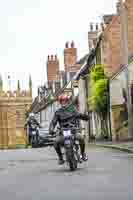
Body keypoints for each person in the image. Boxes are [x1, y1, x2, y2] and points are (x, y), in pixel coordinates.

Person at [49, 94, 89, 165]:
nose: (63, 102)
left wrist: (85, 117)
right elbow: (53, 122)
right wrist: (51, 129)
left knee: (81, 138)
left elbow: (79, 115)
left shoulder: (73, 109)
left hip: (73, 131)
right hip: (62, 132)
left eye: (65, 101)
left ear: (67, 101)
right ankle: (60, 158)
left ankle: (83, 154)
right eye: (62, 101)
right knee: (55, 142)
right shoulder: (58, 112)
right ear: (60, 102)